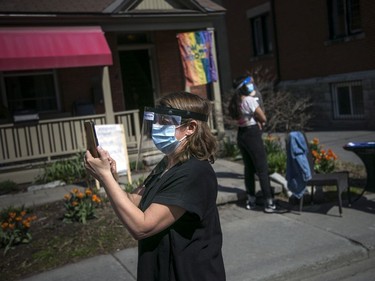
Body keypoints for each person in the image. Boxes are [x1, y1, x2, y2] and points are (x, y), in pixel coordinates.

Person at [84, 91, 226, 281]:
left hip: (188, 273)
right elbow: (133, 201)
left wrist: (106, 178)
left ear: (190, 127)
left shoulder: (194, 172)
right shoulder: (167, 163)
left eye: (166, 122)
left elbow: (141, 226)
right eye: (157, 120)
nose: (157, 127)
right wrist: (109, 178)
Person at [229, 76, 285, 213]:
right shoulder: (249, 100)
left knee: (248, 168)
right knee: (262, 168)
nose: (251, 86)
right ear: (244, 87)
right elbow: (263, 117)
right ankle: (269, 202)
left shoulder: (235, 102)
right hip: (252, 133)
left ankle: (251, 199)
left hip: (241, 134)